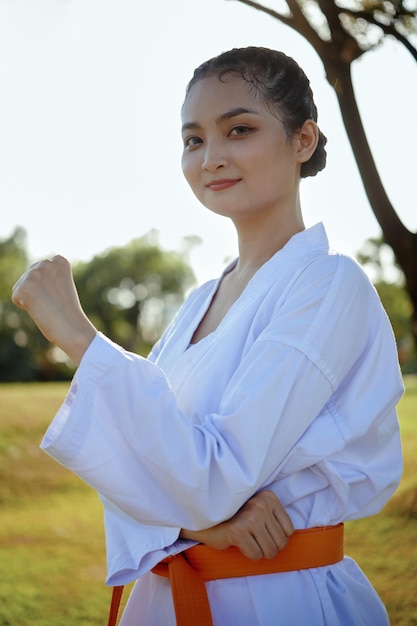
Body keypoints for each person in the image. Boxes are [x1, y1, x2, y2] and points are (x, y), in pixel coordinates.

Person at [12, 47, 403, 625]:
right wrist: (194, 523)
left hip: (274, 599)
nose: (211, 157)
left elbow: (212, 477)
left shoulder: (327, 284)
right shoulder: (200, 300)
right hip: (165, 599)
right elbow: (136, 463)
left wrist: (78, 337)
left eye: (238, 129)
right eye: (193, 140)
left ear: (302, 140)